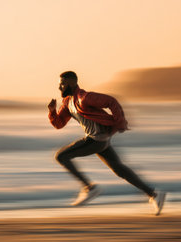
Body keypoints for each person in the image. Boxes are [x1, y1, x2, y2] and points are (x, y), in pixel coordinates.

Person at [48, 71, 166, 215]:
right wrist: (52, 111)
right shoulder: (68, 103)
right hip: (101, 140)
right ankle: (154, 194)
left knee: (61, 156)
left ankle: (89, 188)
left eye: (62, 83)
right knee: (119, 170)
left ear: (71, 83)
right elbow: (59, 124)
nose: (59, 87)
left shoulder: (84, 98)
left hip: (95, 139)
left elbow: (111, 101)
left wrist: (120, 123)